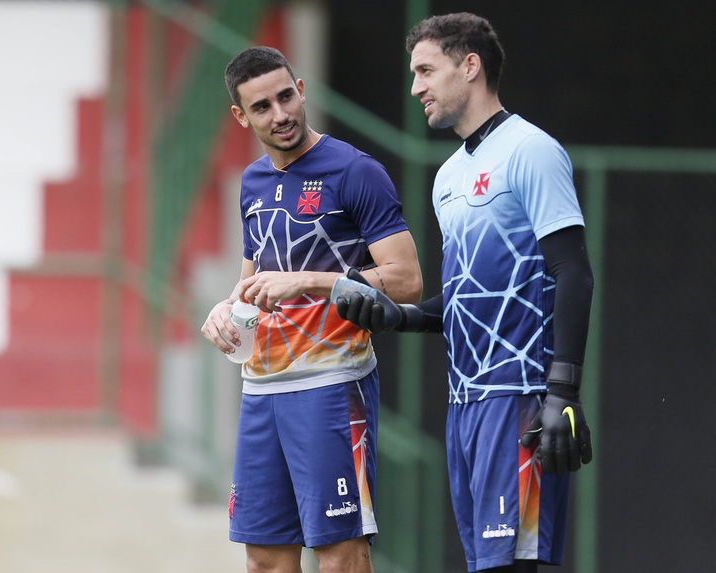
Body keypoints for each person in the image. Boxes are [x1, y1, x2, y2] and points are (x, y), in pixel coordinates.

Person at [336, 13, 595, 573]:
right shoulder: (448, 176)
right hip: (465, 406)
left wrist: (563, 394)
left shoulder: (532, 150)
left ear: (470, 66)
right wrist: (396, 316)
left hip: (521, 397)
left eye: (426, 70)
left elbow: (573, 272)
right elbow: (465, 299)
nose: (415, 88)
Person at [200, 46, 423, 573]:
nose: (280, 115)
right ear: (240, 116)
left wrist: (313, 281)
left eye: (285, 97)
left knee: (341, 556)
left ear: (301, 89)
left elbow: (408, 280)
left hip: (330, 387)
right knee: (265, 561)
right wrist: (225, 308)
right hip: (260, 392)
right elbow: (252, 279)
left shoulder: (355, 170)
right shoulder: (251, 182)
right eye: (262, 107)